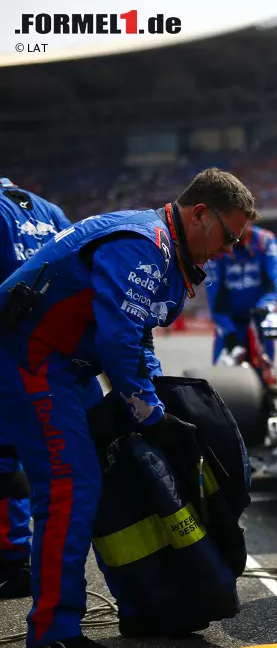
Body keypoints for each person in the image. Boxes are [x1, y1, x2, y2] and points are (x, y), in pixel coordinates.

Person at [0, 167, 256, 648]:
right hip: (31, 359)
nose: (230, 250)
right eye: (229, 236)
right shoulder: (144, 243)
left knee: (115, 469)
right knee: (70, 486)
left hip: (67, 366)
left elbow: (136, 339)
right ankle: (53, 634)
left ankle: (145, 608)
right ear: (200, 214)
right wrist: (152, 415)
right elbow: (119, 343)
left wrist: (153, 404)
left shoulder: (166, 249)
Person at [0, 178, 73, 602]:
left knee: (5, 455)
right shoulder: (51, 212)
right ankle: (34, 566)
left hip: (8, 350)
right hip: (51, 355)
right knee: (49, 461)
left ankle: (12, 562)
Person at [205, 224, 277, 365]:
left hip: (259, 321)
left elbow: (274, 281)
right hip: (230, 323)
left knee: (264, 377)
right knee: (223, 377)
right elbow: (214, 293)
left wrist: (264, 307)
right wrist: (227, 330)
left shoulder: (265, 241)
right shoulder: (216, 242)